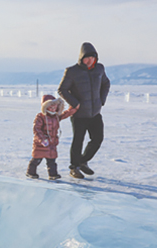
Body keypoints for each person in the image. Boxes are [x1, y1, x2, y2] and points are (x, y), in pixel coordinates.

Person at [57, 42, 110, 179]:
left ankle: (83, 161)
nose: (90, 60)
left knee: (98, 139)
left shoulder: (99, 69)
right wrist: (75, 103)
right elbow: (62, 89)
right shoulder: (72, 71)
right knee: (78, 140)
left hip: (95, 113)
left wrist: (101, 100)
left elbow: (106, 83)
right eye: (87, 58)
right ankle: (74, 168)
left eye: (92, 57)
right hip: (79, 115)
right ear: (81, 58)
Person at [26, 95, 77, 180]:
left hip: (52, 143)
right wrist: (42, 139)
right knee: (36, 159)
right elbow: (37, 129)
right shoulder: (40, 116)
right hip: (41, 143)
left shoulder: (56, 116)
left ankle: (53, 174)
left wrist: (74, 108)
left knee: (52, 160)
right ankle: (31, 172)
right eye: (51, 108)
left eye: (55, 108)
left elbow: (66, 114)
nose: (53, 109)